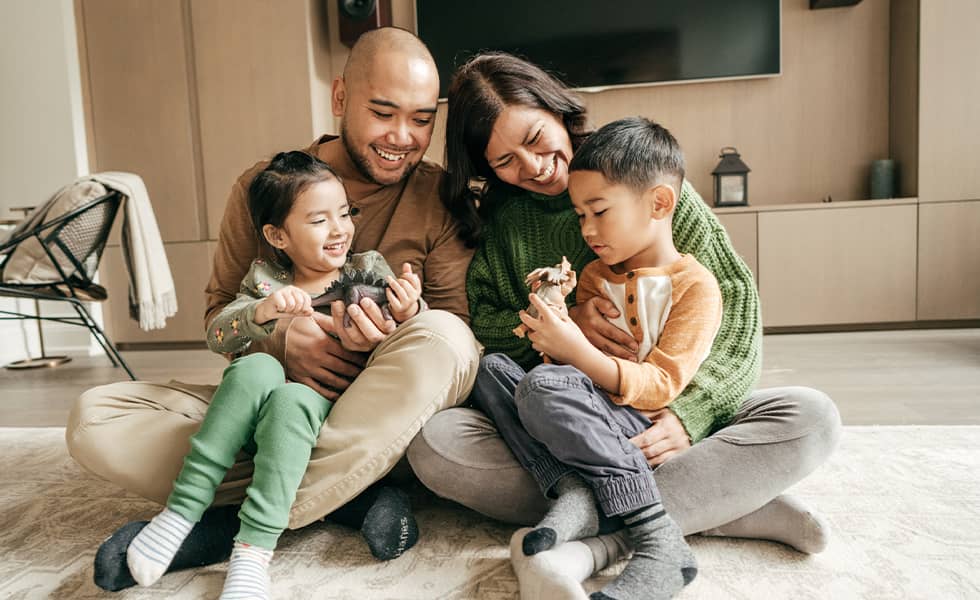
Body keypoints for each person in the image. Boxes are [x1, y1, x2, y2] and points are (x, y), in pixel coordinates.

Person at [406, 52, 842, 599]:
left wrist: (692, 415)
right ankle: (731, 507)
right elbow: (484, 326)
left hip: (660, 412)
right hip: (568, 418)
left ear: (559, 111)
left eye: (538, 138)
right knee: (437, 444)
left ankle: (598, 536)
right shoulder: (501, 224)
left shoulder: (640, 182)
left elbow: (736, 308)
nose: (535, 166)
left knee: (811, 416)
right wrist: (563, 328)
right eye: (505, 161)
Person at [67, 28, 481, 591]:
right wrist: (279, 337)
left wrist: (387, 332)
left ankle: (224, 527)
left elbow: (455, 340)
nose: (403, 137)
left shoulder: (440, 197)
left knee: (446, 338)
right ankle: (343, 496)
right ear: (339, 98)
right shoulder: (266, 188)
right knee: (95, 420)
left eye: (422, 119)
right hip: (273, 402)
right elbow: (219, 313)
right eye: (383, 112)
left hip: (376, 411)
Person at [124, 151, 424, 598]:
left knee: (293, 399)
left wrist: (409, 308)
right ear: (277, 235)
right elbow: (217, 336)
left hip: (335, 424)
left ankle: (252, 549)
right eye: (320, 220)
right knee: (258, 366)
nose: (339, 228)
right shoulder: (265, 280)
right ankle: (182, 512)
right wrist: (261, 312)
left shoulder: (369, 270)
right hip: (252, 423)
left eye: (344, 213)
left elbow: (414, 345)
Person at [473, 117, 718, 600]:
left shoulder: (696, 288)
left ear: (660, 204)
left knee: (542, 388)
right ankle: (575, 491)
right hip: (581, 414)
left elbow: (660, 386)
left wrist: (574, 351)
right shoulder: (591, 278)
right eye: (579, 214)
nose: (586, 230)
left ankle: (656, 535)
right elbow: (557, 371)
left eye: (598, 212)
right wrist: (553, 315)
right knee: (491, 370)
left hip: (637, 426)